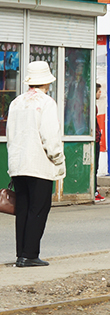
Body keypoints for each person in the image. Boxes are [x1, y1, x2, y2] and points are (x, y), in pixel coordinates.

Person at [7, 61, 65, 267]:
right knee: (38, 209)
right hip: (39, 164)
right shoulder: (46, 102)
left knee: (22, 208)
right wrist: (58, 159)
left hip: (18, 164)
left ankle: (20, 254)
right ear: (46, 82)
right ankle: (30, 254)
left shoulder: (16, 102)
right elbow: (50, 136)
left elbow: (10, 135)